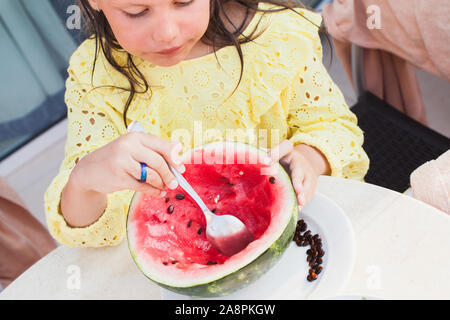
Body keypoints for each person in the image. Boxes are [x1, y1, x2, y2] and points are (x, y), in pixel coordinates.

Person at [44, 0, 369, 247]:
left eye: (184, 1)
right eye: (137, 11)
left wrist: (308, 160)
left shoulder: (278, 36)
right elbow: (80, 225)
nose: (167, 32)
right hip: (178, 254)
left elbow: (335, 129)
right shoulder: (95, 77)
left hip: (302, 233)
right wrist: (85, 179)